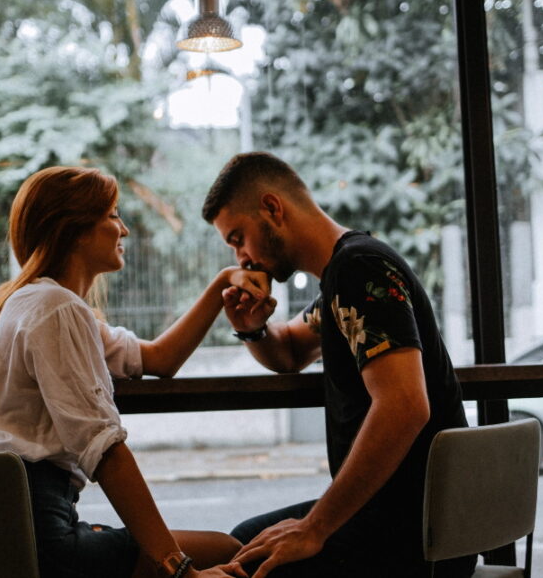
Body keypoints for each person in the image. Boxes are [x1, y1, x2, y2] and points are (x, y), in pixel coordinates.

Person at [0, 165, 261, 578]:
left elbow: (160, 359)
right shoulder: (56, 310)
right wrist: (181, 571)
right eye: (114, 215)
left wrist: (223, 282)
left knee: (222, 550)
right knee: (229, 553)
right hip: (43, 545)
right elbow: (106, 452)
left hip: (1, 536)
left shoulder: (29, 303)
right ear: (76, 230)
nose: (125, 229)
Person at [200, 152, 476, 578]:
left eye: (238, 238)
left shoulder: (358, 269)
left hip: (415, 533)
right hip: (410, 519)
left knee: (252, 560)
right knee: (245, 543)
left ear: (272, 208)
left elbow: (405, 405)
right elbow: (290, 350)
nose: (242, 259)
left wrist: (315, 528)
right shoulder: (342, 277)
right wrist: (254, 329)